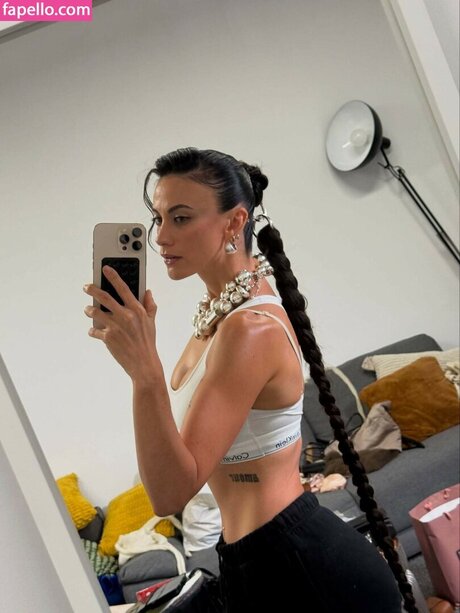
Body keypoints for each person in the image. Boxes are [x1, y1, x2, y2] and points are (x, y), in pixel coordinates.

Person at [84, 147, 416, 612]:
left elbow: (169, 493)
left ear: (234, 222)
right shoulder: (221, 314)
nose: (160, 236)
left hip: (299, 568)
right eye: (158, 218)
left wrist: (145, 372)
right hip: (260, 557)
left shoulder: (249, 328)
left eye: (180, 218)